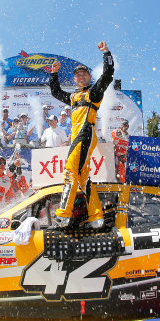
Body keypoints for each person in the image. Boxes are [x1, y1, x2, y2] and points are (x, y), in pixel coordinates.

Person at [49, 41, 114, 229]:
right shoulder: (73, 97)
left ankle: (62, 217)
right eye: (78, 74)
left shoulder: (94, 92)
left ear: (89, 76)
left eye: (84, 74)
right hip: (76, 138)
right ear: (75, 78)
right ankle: (96, 218)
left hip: (85, 136)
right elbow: (55, 91)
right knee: (82, 177)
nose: (81, 76)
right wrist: (54, 73)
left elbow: (108, 75)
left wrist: (106, 53)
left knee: (70, 173)